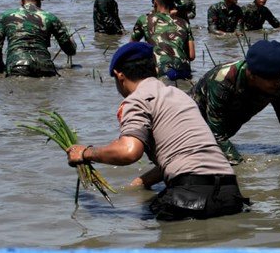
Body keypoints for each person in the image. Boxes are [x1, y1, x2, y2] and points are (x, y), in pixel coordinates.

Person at [65, 42, 249, 221]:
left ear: (119, 75)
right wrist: (141, 182)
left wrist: (85, 152)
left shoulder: (137, 99)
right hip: (230, 193)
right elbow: (183, 155)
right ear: (154, 69)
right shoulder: (180, 96)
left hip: (191, 195)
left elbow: (128, 152)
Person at [189, 40, 280, 160]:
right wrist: (241, 168)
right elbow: (215, 133)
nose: (279, 83)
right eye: (273, 79)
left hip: (220, 131)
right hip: (188, 130)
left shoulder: (276, 84)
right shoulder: (222, 80)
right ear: (252, 75)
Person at [0, 0, 76, 77]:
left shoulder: (5, 16)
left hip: (17, 67)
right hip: (45, 68)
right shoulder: (50, 17)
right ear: (39, 2)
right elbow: (69, 50)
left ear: (21, 1)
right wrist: (72, 42)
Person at [131, 0, 194, 81]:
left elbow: (131, 47)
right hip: (184, 71)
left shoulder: (145, 19)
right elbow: (191, 55)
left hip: (162, 70)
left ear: (155, 2)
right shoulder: (184, 22)